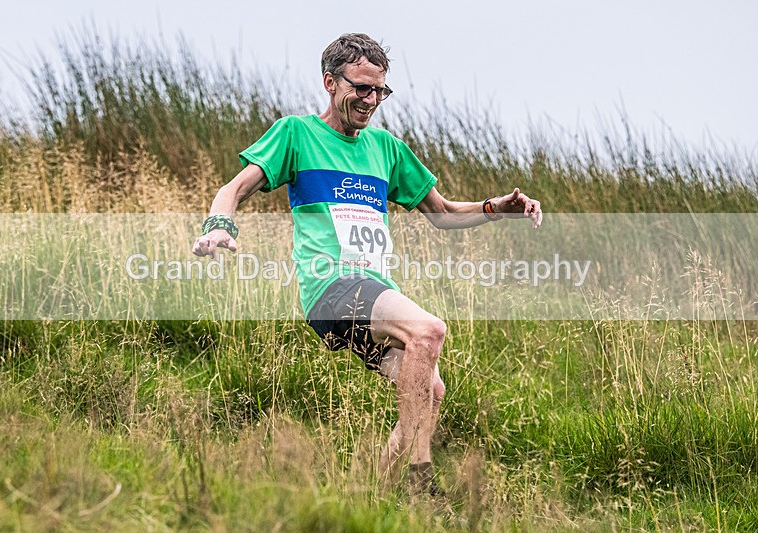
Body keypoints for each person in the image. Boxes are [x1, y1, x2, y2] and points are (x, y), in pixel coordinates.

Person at [192, 33, 542, 495]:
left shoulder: (386, 149)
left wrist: (495, 208)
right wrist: (220, 225)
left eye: (380, 91)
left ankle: (376, 499)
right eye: (361, 88)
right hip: (331, 288)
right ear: (330, 82)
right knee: (428, 331)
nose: (371, 100)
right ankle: (421, 480)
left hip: (372, 292)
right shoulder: (296, 134)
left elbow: (442, 213)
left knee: (431, 393)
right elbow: (233, 189)